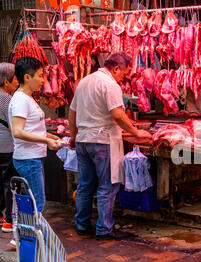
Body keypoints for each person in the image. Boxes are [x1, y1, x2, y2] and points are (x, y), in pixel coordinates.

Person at [68, 52, 152, 241]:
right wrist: (136, 133)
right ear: (116, 69)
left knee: (85, 185)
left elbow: (72, 113)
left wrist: (73, 135)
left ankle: (82, 225)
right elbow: (117, 114)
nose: (124, 77)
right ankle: (104, 229)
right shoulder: (110, 84)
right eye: (124, 73)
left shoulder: (84, 82)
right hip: (102, 141)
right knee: (107, 186)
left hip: (83, 140)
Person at [8, 57, 61, 247]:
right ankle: (30, 239)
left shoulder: (25, 98)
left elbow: (29, 128)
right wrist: (45, 140)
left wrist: (49, 136)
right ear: (27, 77)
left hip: (30, 157)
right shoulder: (21, 99)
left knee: (30, 200)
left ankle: (22, 237)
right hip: (29, 159)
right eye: (40, 76)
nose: (42, 80)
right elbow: (18, 131)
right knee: (37, 201)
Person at [0, 62, 19, 233]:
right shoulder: (7, 99)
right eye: (15, 79)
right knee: (8, 183)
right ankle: (8, 221)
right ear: (6, 82)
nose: (17, 82)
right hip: (6, 146)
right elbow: (13, 126)